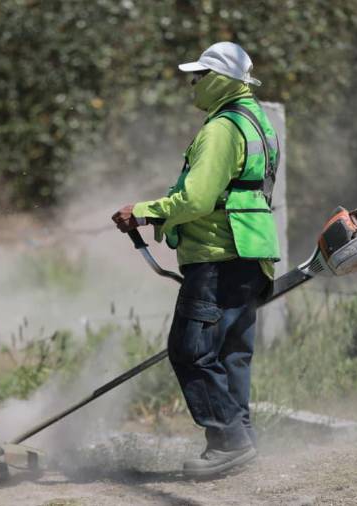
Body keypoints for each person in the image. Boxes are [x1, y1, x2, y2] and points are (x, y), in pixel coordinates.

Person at [112, 41, 280, 477]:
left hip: (217, 255)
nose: (193, 83)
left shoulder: (222, 128)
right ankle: (239, 440)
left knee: (189, 350)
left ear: (222, 79)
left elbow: (199, 198)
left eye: (200, 76)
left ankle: (228, 441)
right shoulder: (257, 119)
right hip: (251, 254)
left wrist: (145, 211)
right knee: (230, 355)